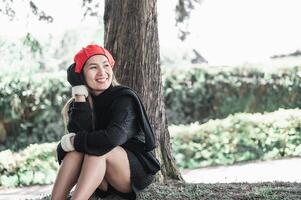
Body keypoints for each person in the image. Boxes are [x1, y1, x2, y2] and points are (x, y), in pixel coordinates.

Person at [51, 44, 160, 200]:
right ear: (82, 75)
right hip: (98, 173)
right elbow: (79, 132)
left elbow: (112, 138)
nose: (102, 72)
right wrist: (80, 95)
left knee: (100, 150)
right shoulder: (79, 102)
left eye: (106, 65)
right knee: (77, 151)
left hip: (129, 172)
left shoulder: (124, 98)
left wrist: (73, 141)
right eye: (93, 67)